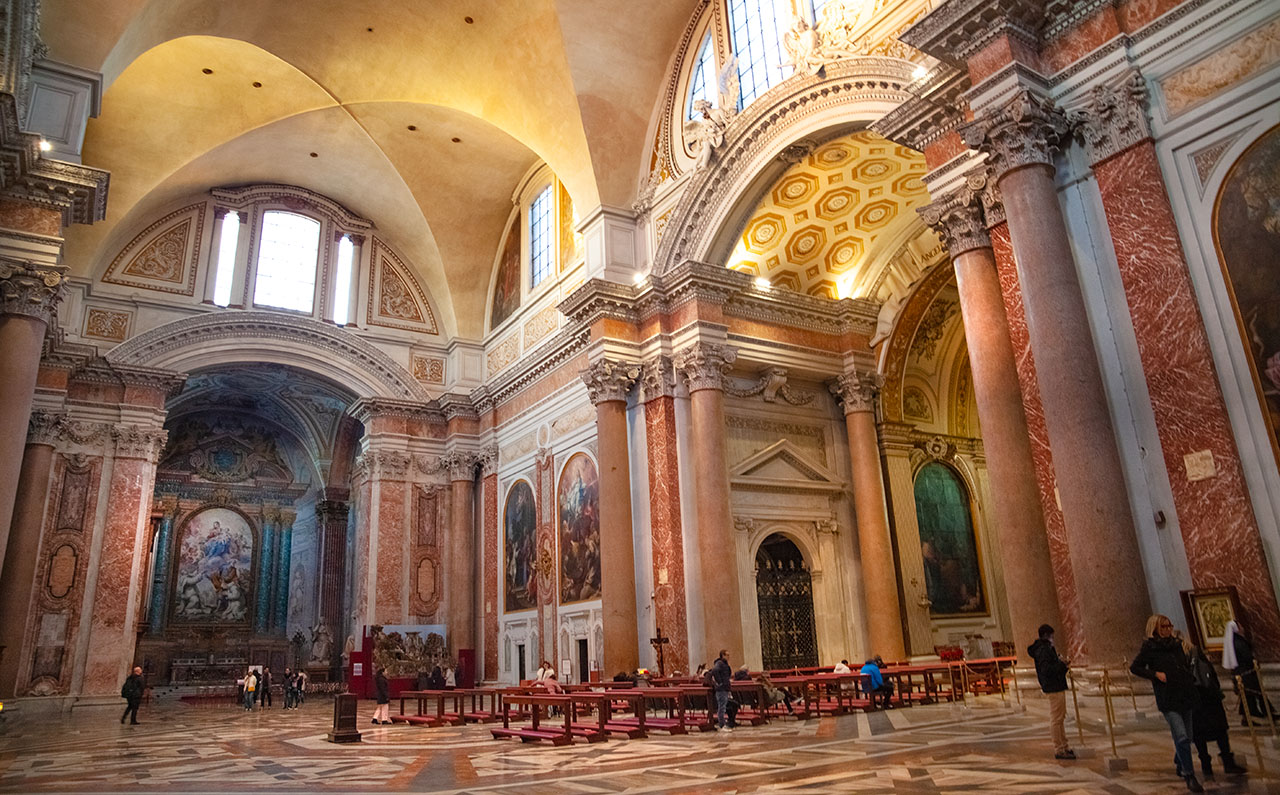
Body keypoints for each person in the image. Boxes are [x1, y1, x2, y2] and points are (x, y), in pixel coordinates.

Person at [1131, 614, 1204, 793]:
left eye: (1169, 625)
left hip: (1185, 693)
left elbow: (1183, 665)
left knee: (1188, 736)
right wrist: (1155, 675)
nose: (1168, 629)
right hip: (1168, 697)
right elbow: (1135, 667)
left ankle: (1180, 762)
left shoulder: (1177, 644)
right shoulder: (1150, 647)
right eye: (1164, 626)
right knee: (1182, 736)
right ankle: (1189, 774)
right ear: (1155, 628)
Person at [1185, 634, 1246, 778]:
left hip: (1196, 701)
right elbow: (1212, 677)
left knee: (1200, 735)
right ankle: (1227, 762)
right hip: (1209, 698)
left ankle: (1207, 767)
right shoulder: (1196, 654)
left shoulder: (1184, 659)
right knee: (1219, 732)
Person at [1028, 624, 1074, 760]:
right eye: (1052, 636)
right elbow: (1047, 670)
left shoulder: (1046, 649)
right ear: (1047, 636)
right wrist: (1061, 665)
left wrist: (1062, 666)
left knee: (1060, 718)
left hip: (1056, 685)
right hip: (1053, 687)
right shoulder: (1043, 650)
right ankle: (1059, 749)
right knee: (1056, 719)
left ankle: (1064, 745)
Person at [1224, 620, 1273, 724]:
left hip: (1242, 673)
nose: (1242, 628)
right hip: (1246, 673)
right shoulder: (1239, 642)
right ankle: (1264, 712)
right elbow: (1246, 656)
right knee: (1253, 694)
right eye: (1240, 626)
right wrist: (1254, 662)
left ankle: (1258, 714)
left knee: (1248, 696)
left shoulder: (1234, 641)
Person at [711, 649, 734, 731]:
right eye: (727, 655)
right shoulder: (719, 663)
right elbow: (714, 671)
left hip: (724, 688)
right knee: (722, 707)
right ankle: (722, 725)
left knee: (724, 706)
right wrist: (720, 682)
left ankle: (725, 723)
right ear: (723, 655)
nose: (729, 657)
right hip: (721, 689)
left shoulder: (724, 664)